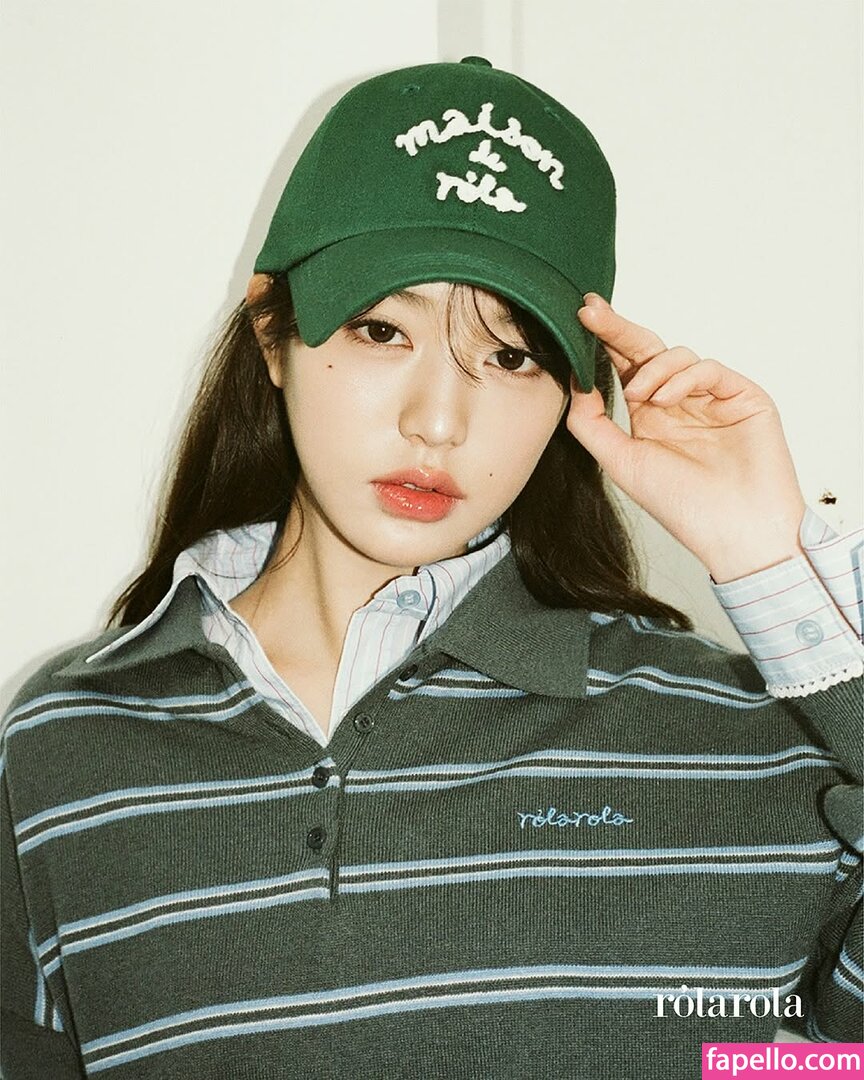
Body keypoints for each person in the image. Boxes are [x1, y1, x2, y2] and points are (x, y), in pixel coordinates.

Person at [1, 56, 861, 1080]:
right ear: (272, 331)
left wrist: (770, 564)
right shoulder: (64, 746)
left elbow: (831, 1061)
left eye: (511, 357)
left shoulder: (744, 741)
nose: (438, 421)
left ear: (576, 395)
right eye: (381, 330)